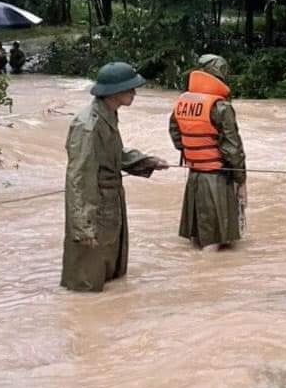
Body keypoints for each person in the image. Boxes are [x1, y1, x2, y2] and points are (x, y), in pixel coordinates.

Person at [61, 62, 169, 292]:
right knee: (87, 285)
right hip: (95, 208)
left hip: (109, 203)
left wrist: (147, 162)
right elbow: (78, 179)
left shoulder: (108, 114)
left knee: (111, 279)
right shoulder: (88, 126)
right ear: (115, 92)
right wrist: (83, 227)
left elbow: (115, 155)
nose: (135, 93)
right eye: (130, 88)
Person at [169, 54, 247, 249]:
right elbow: (233, 149)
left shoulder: (182, 102)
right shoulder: (221, 107)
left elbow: (175, 133)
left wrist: (192, 152)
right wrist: (241, 179)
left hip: (194, 175)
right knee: (214, 244)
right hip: (216, 178)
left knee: (197, 241)